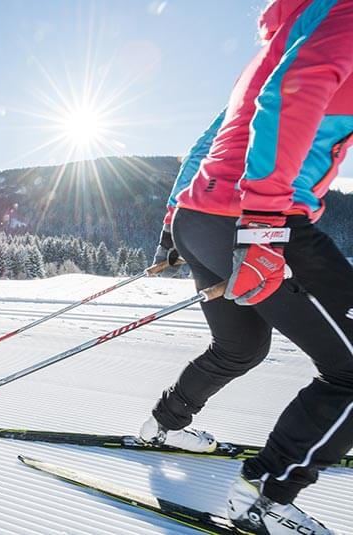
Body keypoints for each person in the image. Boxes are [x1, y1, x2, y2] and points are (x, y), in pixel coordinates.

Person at [140, 0, 353, 533]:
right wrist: (261, 224)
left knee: (240, 347)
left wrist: (173, 226)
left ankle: (164, 427)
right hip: (258, 219)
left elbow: (207, 142)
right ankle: (265, 499)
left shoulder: (281, 40)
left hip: (203, 217)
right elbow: (293, 94)